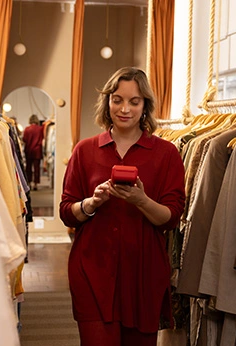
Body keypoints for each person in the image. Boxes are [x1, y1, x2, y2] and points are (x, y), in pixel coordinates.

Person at [60, 67, 186, 346]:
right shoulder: (85, 150)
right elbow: (67, 211)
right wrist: (92, 203)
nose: (124, 108)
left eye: (134, 101)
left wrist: (141, 200)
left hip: (143, 274)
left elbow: (172, 217)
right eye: (117, 99)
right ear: (107, 102)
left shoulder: (166, 154)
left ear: (145, 106)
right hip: (92, 270)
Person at [23, 114, 44, 191]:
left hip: (28, 150)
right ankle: (36, 184)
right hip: (37, 150)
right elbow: (42, 138)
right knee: (37, 168)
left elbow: (24, 139)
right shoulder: (40, 129)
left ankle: (29, 183)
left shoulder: (27, 129)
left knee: (28, 167)